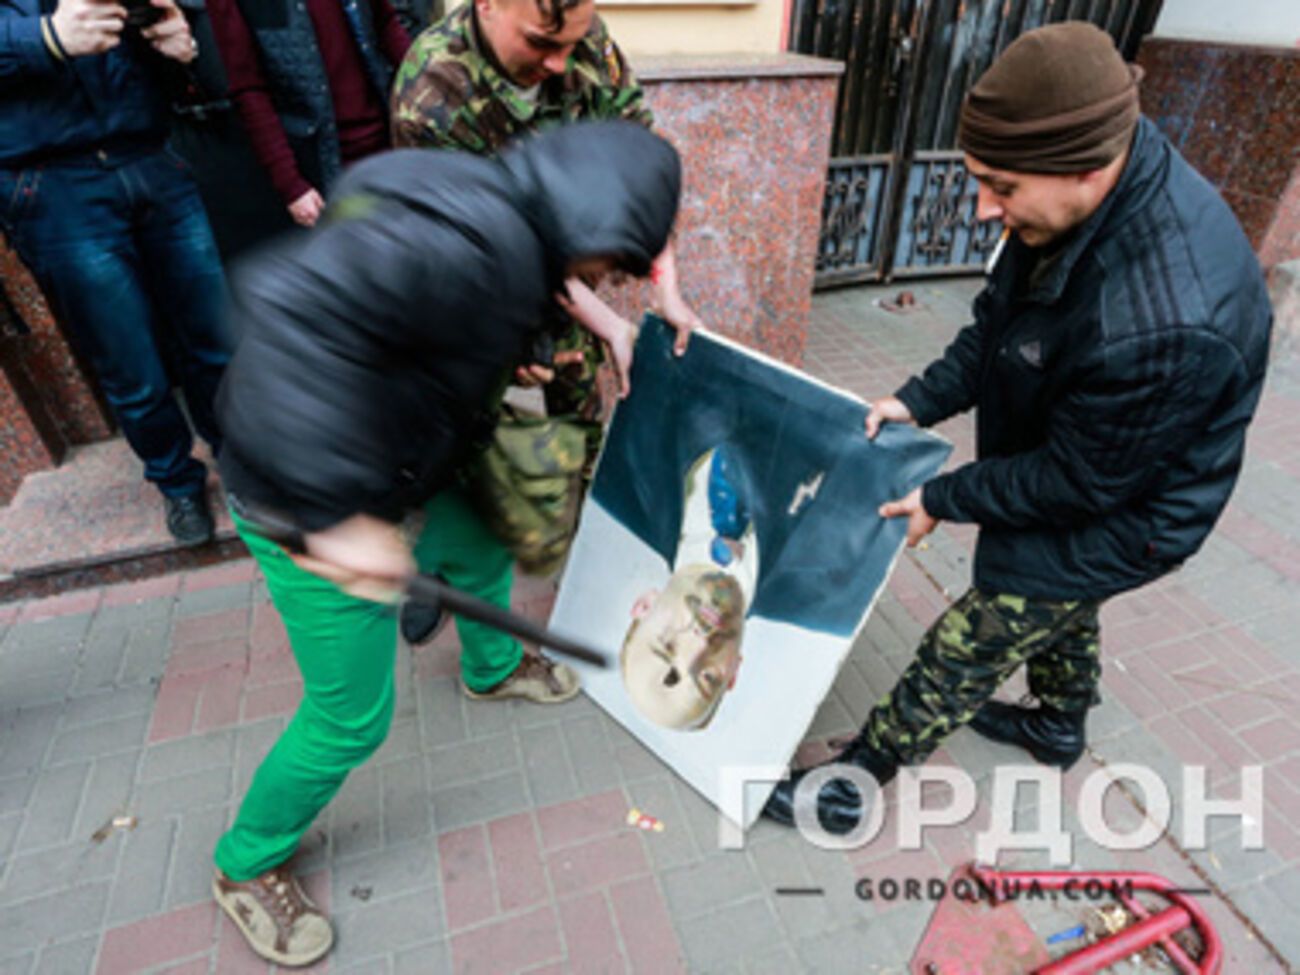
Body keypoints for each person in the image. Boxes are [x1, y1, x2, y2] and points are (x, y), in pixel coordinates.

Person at [762, 22, 1273, 836]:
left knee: (996, 612)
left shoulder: (1166, 320)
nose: (982, 207)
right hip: (1090, 465)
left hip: (1136, 513)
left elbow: (1077, 483)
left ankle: (859, 778)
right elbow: (999, 328)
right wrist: (918, 400)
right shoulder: (1070, 200)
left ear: (1086, 170)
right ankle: (1059, 724)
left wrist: (943, 493)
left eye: (1000, 185)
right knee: (1060, 595)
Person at [210, 121, 681, 966]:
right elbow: (284, 310)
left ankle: (493, 667)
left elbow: (432, 318)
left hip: (402, 457)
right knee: (351, 717)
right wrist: (329, 515)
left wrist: (529, 346)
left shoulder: (499, 209)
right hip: (296, 495)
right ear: (582, 229)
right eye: (603, 269)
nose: (598, 285)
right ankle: (248, 860)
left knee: (480, 544)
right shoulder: (464, 244)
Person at [387, 0, 702, 650]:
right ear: (489, 4)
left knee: (580, 425)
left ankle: (590, 573)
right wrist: (608, 321)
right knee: (471, 447)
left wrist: (663, 287)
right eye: (541, 43)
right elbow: (498, 247)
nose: (561, 63)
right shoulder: (431, 97)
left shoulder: (578, 36)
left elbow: (640, 155)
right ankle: (440, 568)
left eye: (573, 42)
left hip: (571, 277)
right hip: (479, 291)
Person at [0, 0, 231, 544]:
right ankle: (177, 484)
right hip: (54, 182)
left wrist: (180, 30)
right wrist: (46, 38)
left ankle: (241, 459)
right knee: (131, 364)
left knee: (215, 338)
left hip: (150, 155)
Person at [205, 0, 412, 229]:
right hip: (324, 170)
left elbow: (386, 24)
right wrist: (291, 185)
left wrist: (424, 93)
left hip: (393, 144)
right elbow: (249, 89)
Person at [620, 447, 755, 731]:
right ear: (734, 673)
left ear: (645, 606)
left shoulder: (654, 486)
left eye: (667, 645)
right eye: (708, 677)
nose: (701, 644)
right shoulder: (820, 577)